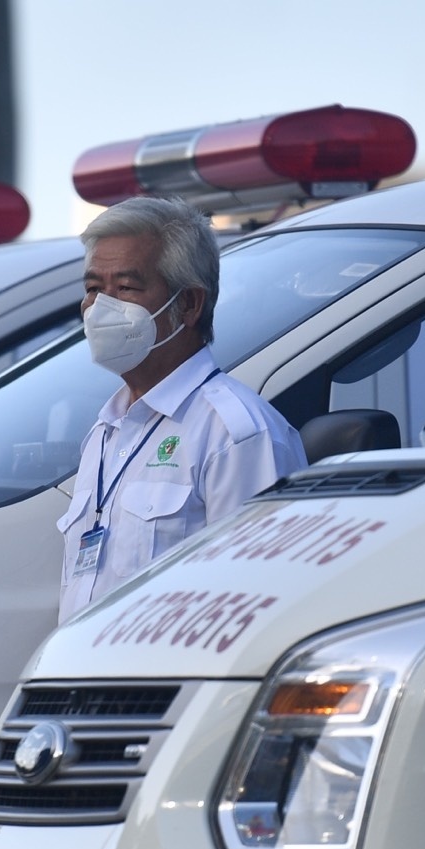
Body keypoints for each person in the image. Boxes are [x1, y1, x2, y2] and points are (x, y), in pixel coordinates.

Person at [57, 195, 305, 618]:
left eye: (126, 289)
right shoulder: (106, 431)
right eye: (94, 289)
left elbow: (259, 604)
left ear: (188, 304)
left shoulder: (236, 434)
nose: (101, 308)